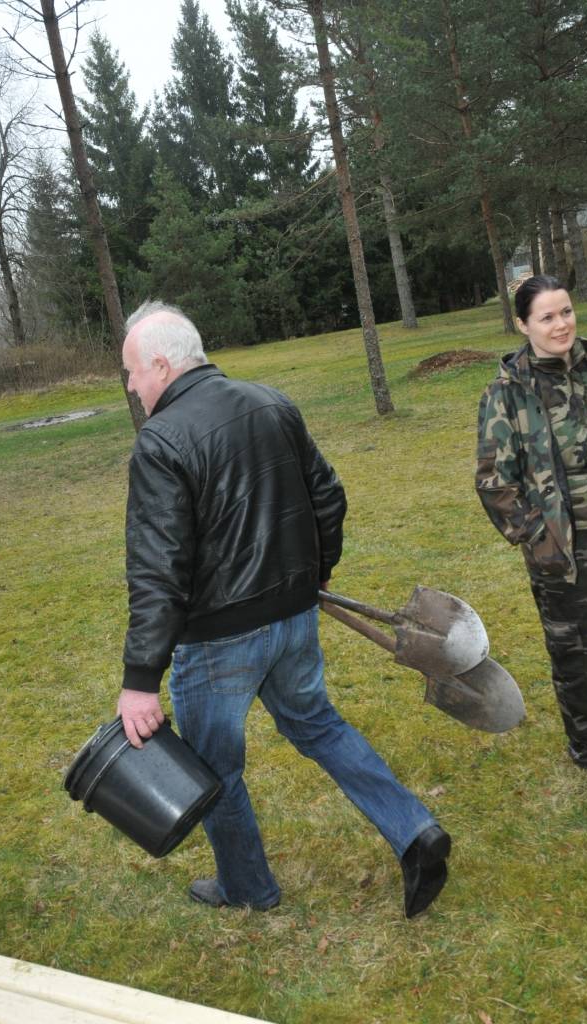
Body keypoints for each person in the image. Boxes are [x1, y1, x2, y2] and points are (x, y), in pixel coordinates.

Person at [117, 299, 451, 916]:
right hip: (292, 621)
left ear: (161, 365)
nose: (132, 387)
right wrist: (309, 577)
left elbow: (156, 569)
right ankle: (415, 829)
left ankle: (248, 889)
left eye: (133, 372)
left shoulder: (160, 440)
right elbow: (329, 495)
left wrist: (140, 683)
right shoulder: (271, 401)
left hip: (220, 642)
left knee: (213, 769)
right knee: (318, 725)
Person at [476, 274, 587, 783]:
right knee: (574, 651)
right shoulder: (508, 393)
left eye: (566, 312)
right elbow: (494, 483)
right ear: (523, 323)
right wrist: (538, 537)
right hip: (565, 549)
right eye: (547, 317)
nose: (561, 325)